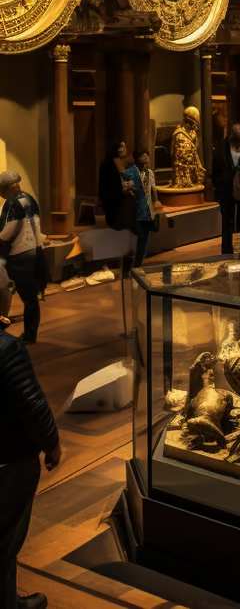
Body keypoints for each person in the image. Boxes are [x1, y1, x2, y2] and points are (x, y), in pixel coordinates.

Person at [0, 329, 61, 609]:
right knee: (5, 541)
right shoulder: (7, 347)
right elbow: (33, 405)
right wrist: (52, 442)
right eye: (9, 288)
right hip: (8, 462)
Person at [0, 172, 47, 345]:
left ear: (11, 187)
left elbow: (6, 233)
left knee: (27, 298)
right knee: (32, 298)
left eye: (2, 189)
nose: (1, 193)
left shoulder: (12, 203)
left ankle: (28, 336)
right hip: (36, 252)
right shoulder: (29, 198)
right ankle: (31, 334)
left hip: (21, 256)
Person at [212, 122, 240, 254]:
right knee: (227, 222)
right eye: (235, 130)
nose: (238, 132)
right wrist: (220, 183)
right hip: (226, 190)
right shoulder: (221, 150)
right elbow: (216, 170)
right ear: (231, 132)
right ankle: (227, 251)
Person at [125, 151, 157, 268]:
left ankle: (138, 264)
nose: (146, 157)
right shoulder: (129, 172)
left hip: (147, 210)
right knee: (134, 239)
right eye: (144, 154)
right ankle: (129, 266)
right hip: (135, 210)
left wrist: (156, 202)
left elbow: (153, 190)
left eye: (148, 155)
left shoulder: (149, 173)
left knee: (144, 238)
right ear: (138, 157)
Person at [97, 139, 137, 233]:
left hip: (121, 193)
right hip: (112, 197)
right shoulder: (108, 164)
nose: (123, 149)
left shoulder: (125, 163)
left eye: (124, 147)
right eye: (121, 147)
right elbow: (107, 183)